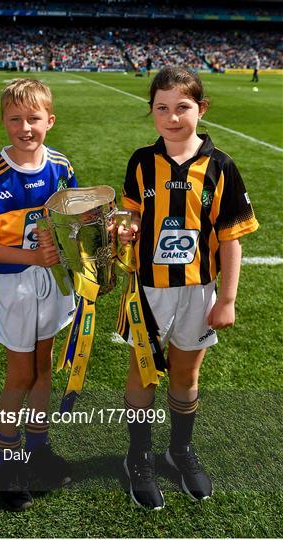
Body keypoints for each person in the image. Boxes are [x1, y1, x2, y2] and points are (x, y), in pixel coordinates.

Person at [116, 66, 259, 510]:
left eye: (183, 107)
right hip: (148, 292)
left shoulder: (221, 166)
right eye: (162, 108)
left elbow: (232, 237)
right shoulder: (141, 162)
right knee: (142, 372)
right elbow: (134, 215)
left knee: (186, 374)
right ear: (152, 112)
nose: (172, 117)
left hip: (199, 290)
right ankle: (138, 456)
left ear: (202, 108)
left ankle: (179, 450)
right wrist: (128, 229)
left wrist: (228, 299)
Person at [0, 78, 77, 511]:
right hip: (13, 284)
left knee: (44, 368)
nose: (25, 127)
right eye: (16, 119)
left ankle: (37, 447)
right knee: (21, 375)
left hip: (53, 283)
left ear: (50, 119)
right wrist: (31, 258)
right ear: (4, 121)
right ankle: (6, 458)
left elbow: (74, 217)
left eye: (34, 118)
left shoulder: (62, 166)